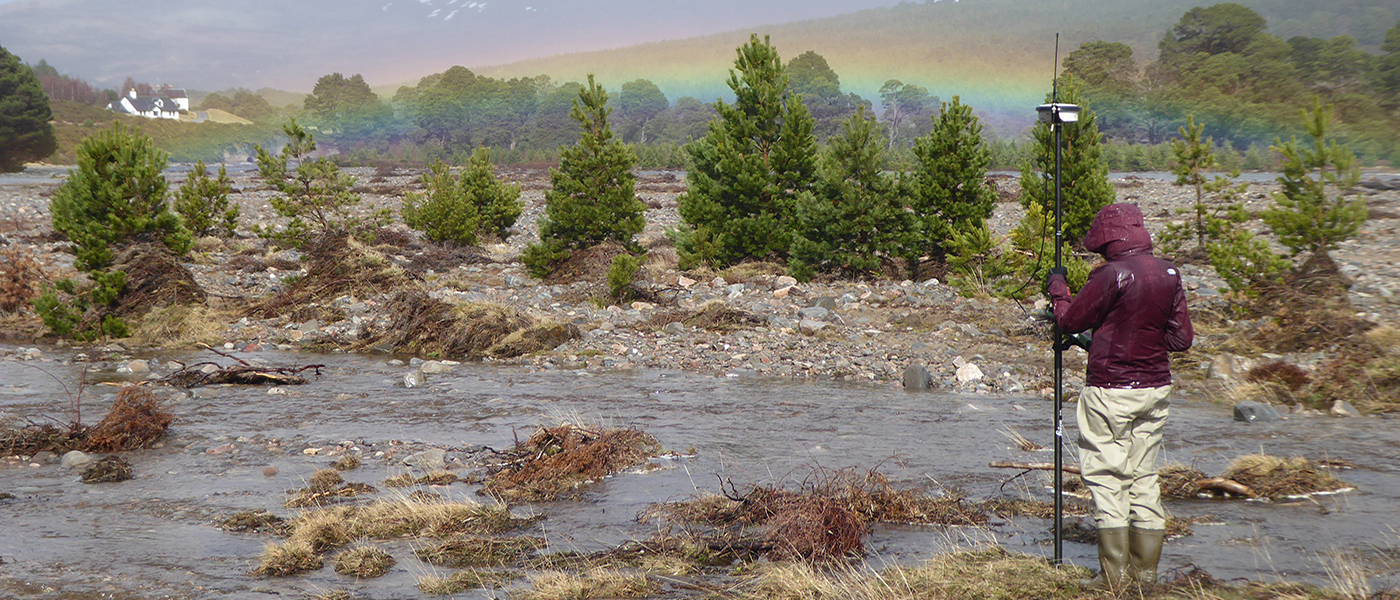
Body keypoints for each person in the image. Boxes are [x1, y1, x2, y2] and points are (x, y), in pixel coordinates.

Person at [1047, 203, 1193, 591]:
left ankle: (1112, 580)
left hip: (1111, 390)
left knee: (1109, 478)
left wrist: (1059, 290)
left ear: (1108, 240)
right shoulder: (1169, 272)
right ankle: (1145, 578)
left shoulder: (1112, 274)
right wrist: (1141, 339)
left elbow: (1070, 321)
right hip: (1156, 389)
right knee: (1144, 477)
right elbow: (1182, 340)